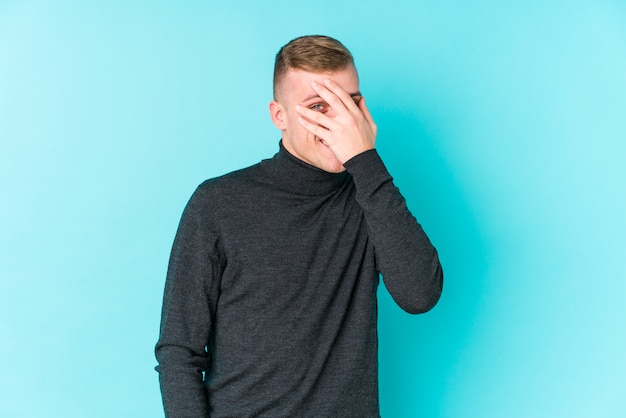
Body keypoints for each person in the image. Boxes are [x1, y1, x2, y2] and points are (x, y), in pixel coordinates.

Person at [155, 35, 443, 417]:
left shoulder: (373, 199)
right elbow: (179, 351)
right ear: (279, 116)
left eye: (350, 103)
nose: (337, 122)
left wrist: (366, 161)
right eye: (318, 106)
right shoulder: (218, 203)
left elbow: (420, 296)